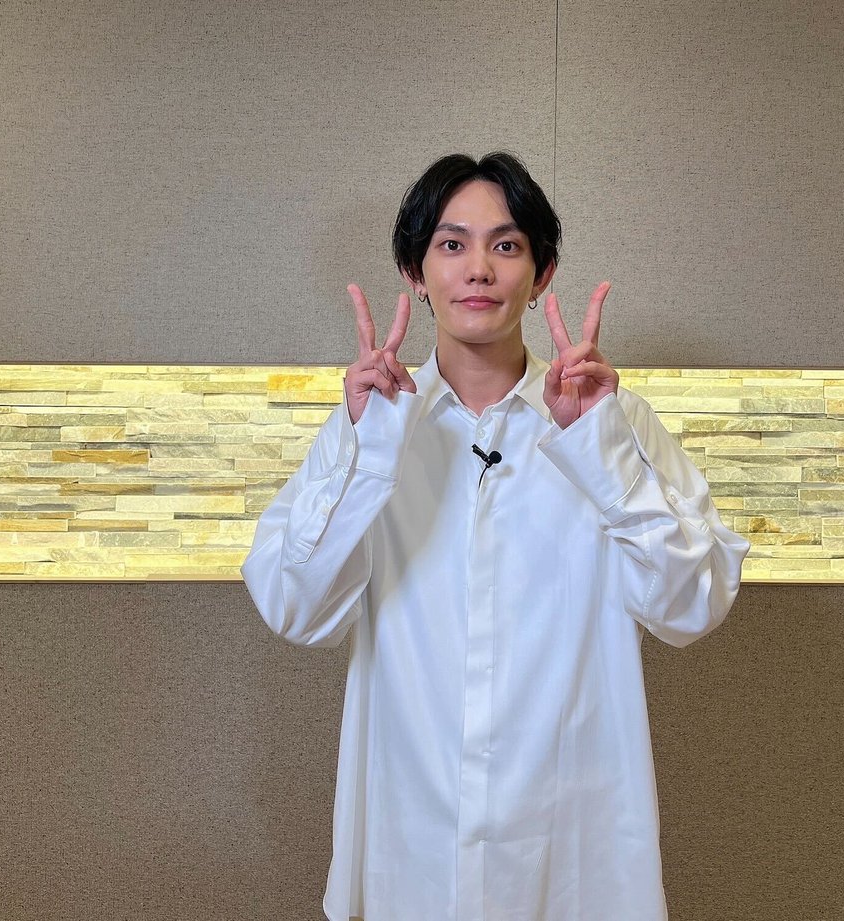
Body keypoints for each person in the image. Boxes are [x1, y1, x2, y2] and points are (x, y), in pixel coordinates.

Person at [241, 151, 750, 921]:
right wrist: (368, 451)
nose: (478, 268)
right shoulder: (371, 424)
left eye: (505, 245)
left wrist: (601, 451)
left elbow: (692, 604)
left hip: (572, 858)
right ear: (414, 272)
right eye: (451, 244)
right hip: (410, 855)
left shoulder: (612, 422)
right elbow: (295, 606)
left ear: (542, 274)